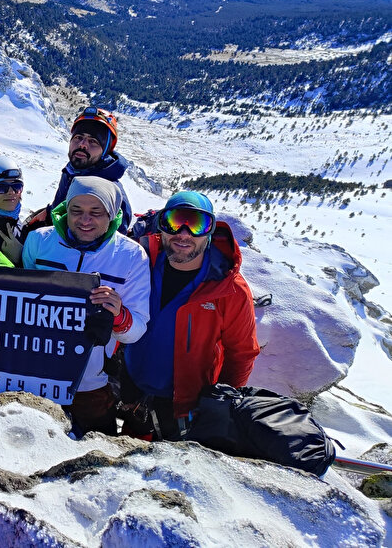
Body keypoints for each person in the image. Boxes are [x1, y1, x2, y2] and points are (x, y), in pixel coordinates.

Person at [121, 191, 260, 440]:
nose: (184, 234)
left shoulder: (230, 289)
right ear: (160, 227)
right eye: (174, 222)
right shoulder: (141, 262)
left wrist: (219, 404)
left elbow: (242, 353)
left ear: (210, 232)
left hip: (186, 408)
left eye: (197, 224)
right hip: (132, 391)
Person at [22, 177, 150, 437]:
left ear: (112, 215)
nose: (84, 220)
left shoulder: (131, 256)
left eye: (96, 212)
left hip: (91, 383)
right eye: (76, 210)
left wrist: (118, 315)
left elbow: (136, 328)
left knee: (93, 453)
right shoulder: (38, 242)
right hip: (35, 375)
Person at [25, 107, 132, 235]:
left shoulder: (113, 195)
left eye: (93, 141)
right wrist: (49, 213)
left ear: (105, 150)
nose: (82, 145)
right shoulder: (72, 171)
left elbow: (109, 249)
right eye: (78, 137)